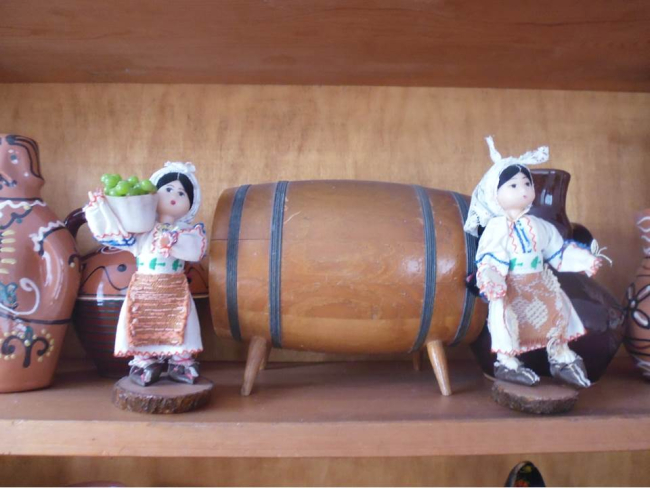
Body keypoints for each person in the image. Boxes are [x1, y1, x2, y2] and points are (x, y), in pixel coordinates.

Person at [464, 137, 607, 388]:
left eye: (526, 183)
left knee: (556, 316)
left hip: (540, 283)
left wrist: (583, 259)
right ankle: (507, 363)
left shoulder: (539, 225)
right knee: (507, 322)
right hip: (511, 286)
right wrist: (492, 278)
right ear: (494, 192)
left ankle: (562, 358)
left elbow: (557, 251)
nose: (522, 189)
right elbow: (489, 257)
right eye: (513, 185)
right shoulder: (497, 227)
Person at [84, 162, 207, 386]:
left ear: (191, 202)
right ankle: (145, 362)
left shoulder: (185, 232)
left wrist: (172, 242)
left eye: (181, 193)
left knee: (181, 324)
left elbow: (194, 250)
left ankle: (181, 361)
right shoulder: (141, 232)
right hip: (144, 290)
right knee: (142, 324)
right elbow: (116, 233)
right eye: (168, 189)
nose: (174, 196)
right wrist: (99, 208)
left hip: (175, 291)